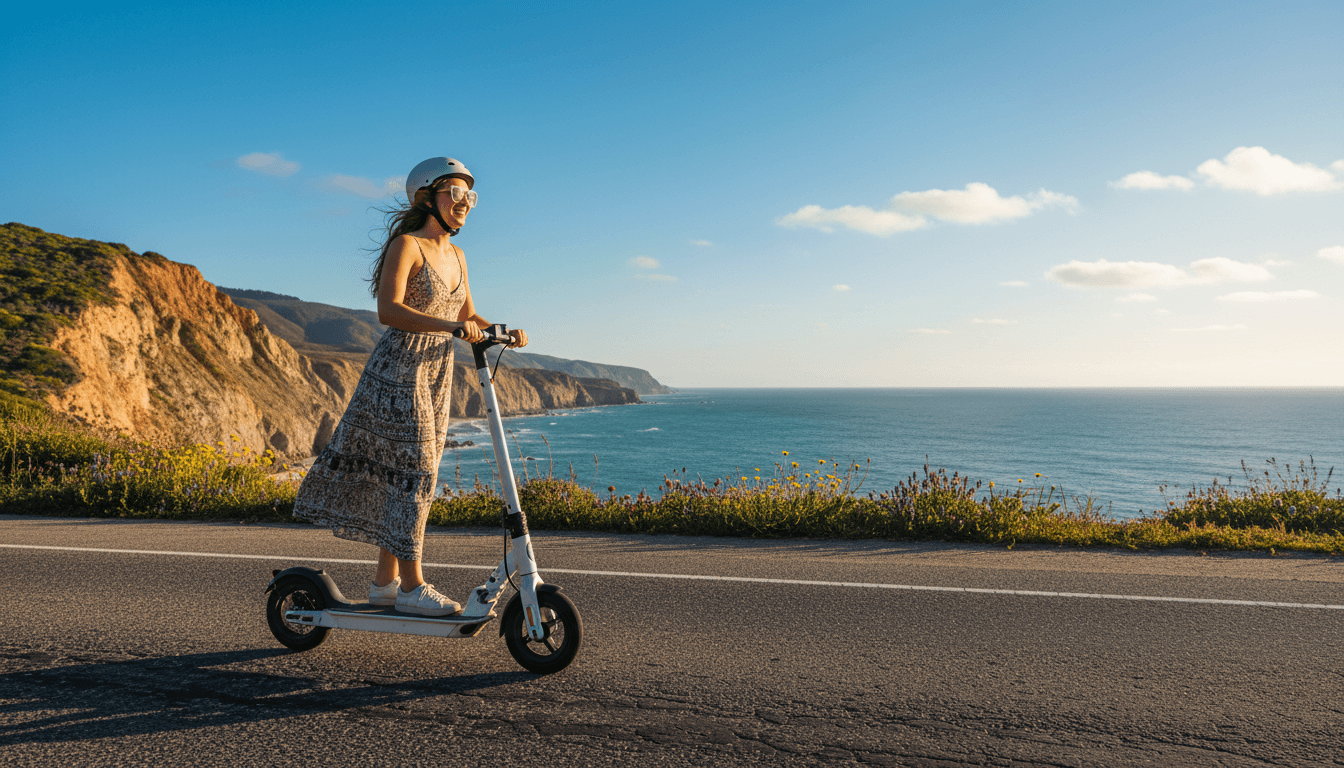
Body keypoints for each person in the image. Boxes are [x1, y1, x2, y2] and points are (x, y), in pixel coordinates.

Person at [293, 157, 527, 616]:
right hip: (399, 371)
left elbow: (467, 315)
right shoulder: (408, 245)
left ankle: (385, 583)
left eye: (470, 197)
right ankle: (412, 587)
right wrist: (449, 327)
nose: (465, 204)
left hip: (437, 371)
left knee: (405, 475)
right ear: (426, 197)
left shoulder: (457, 256)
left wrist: (502, 329)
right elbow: (389, 309)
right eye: (455, 194)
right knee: (414, 472)